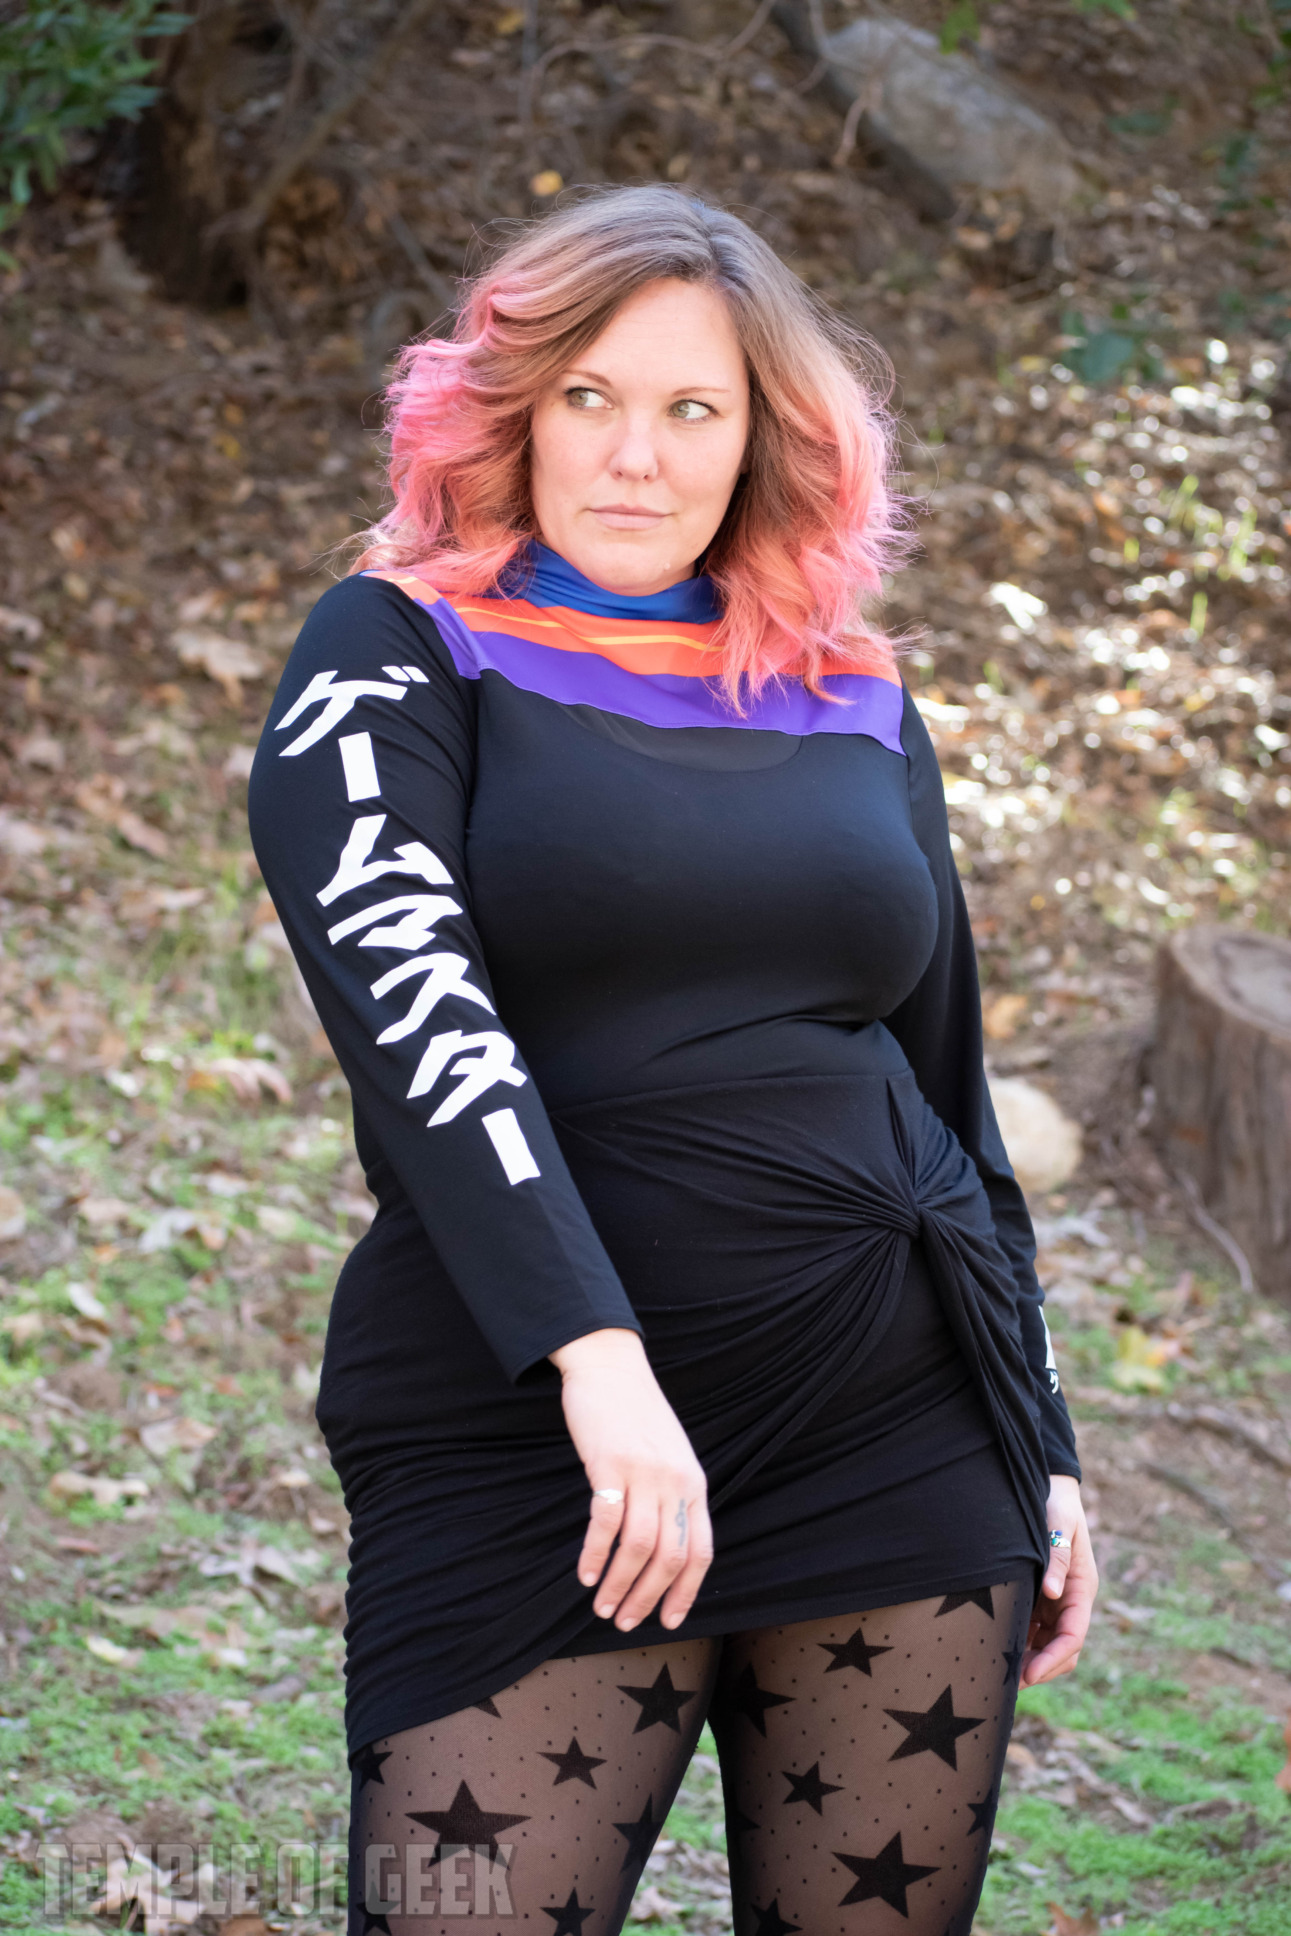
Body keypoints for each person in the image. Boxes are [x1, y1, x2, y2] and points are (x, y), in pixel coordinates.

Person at [247, 184, 1097, 1936]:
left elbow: (942, 1073)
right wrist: (595, 1355)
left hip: (901, 1424)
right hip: (546, 1440)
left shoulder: (850, 690)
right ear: (511, 408)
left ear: (762, 438)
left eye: (693, 408)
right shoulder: (396, 650)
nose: (639, 453)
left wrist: (1047, 1429)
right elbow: (420, 1025)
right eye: (591, 397)